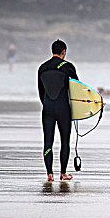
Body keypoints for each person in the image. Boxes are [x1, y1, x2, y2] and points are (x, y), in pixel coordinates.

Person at [37, 39, 78, 182]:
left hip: (47, 108)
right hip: (63, 110)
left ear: (52, 51)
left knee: (48, 142)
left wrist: (47, 104)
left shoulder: (42, 67)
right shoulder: (68, 67)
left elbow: (41, 92)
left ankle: (49, 174)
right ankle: (63, 173)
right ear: (64, 52)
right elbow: (77, 91)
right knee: (64, 141)